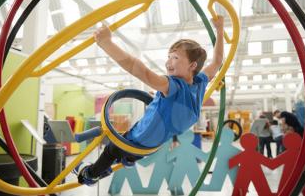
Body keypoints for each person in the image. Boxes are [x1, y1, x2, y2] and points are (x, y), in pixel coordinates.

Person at [76, 16, 225, 185]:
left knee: (111, 149)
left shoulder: (172, 85)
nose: (168, 62)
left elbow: (137, 68)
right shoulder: (200, 83)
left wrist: (107, 44)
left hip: (137, 140)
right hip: (150, 147)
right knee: (132, 143)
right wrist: (219, 30)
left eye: (175, 57)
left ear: (192, 65)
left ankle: (90, 175)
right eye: (168, 56)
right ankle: (128, 159)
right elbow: (218, 60)